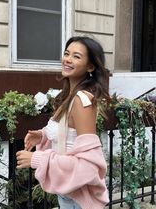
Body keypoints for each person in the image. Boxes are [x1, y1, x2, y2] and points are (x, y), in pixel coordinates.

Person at [16, 36, 110, 209]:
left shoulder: (82, 101)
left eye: (76, 56)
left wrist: (37, 159)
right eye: (67, 53)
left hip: (78, 200)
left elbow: (88, 166)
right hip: (69, 196)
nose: (67, 59)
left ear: (90, 67)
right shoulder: (68, 97)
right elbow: (68, 137)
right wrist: (43, 135)